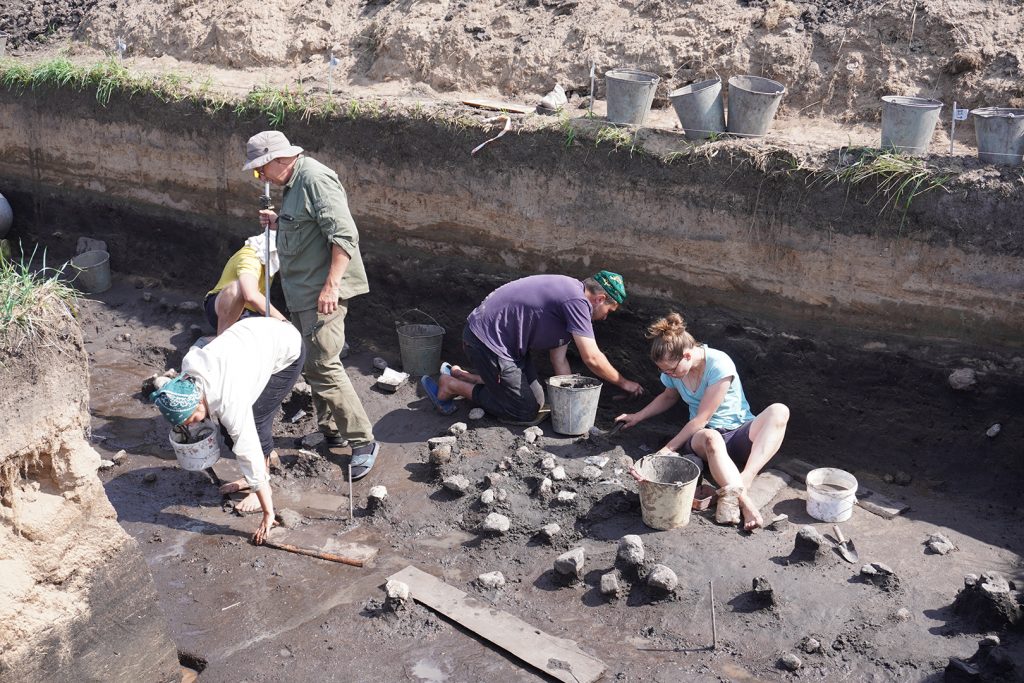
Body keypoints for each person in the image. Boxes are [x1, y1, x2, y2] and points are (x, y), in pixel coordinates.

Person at [241, 131, 380, 480]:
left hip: (323, 291)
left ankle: (363, 441)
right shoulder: (293, 185)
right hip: (303, 291)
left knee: (323, 363)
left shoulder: (315, 179)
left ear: (280, 158)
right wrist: (278, 223)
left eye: (261, 170)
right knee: (313, 362)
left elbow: (345, 236)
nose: (260, 178)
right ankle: (331, 429)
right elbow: (307, 227)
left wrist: (331, 287)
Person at [614, 312, 790, 531]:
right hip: (704, 439)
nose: (668, 374)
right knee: (711, 436)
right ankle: (746, 502)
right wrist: (637, 416)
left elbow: (701, 417)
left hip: (739, 433)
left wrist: (667, 449)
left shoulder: (719, 364)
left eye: (671, 369)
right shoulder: (674, 371)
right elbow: (669, 397)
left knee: (779, 411)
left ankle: (744, 481)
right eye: (663, 370)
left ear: (687, 356)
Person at [150, 317, 305, 544]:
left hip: (285, 346)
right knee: (228, 426)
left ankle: (263, 488)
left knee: (257, 420)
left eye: (190, 418)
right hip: (251, 337)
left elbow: (247, 448)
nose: (191, 425)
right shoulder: (187, 373)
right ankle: (253, 479)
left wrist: (267, 513)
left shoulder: (230, 400)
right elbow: (202, 343)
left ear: (197, 402)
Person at [423, 271, 645, 422]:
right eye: (609, 311)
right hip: (485, 342)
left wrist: (569, 404)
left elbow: (559, 360)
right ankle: (451, 385)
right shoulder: (577, 301)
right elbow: (592, 358)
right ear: (600, 299)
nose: (605, 318)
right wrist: (624, 383)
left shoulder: (570, 297)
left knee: (538, 401)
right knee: (524, 410)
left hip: (505, 347)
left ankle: (467, 376)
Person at [204, 231, 288, 335]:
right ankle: (221, 338)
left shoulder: (268, 262)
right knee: (237, 288)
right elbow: (250, 295)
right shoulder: (250, 258)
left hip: (249, 313)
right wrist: (284, 322)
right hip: (220, 308)